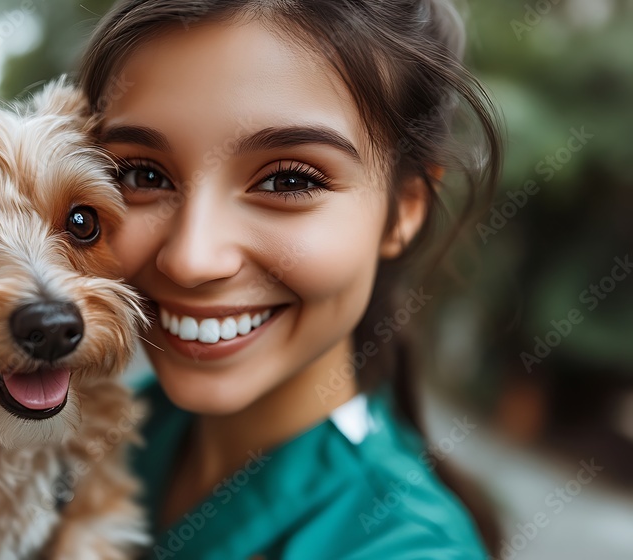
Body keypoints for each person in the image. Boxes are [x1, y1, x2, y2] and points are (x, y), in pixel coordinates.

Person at [77, 1, 504, 558]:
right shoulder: (86, 435)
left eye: (286, 181)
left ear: (404, 209)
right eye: (141, 175)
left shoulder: (408, 547)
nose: (190, 258)